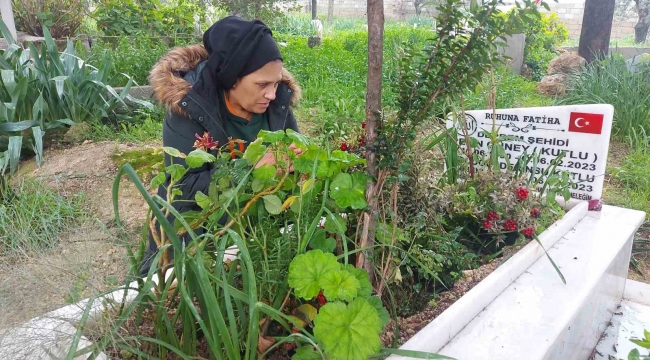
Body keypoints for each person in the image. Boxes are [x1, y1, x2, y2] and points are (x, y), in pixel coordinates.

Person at [140, 16, 302, 275]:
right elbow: (183, 188)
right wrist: (250, 167)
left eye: (275, 82)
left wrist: (297, 163)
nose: (272, 94)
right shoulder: (190, 108)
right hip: (199, 232)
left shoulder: (277, 103)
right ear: (230, 78)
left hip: (257, 226)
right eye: (262, 84)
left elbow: (293, 154)